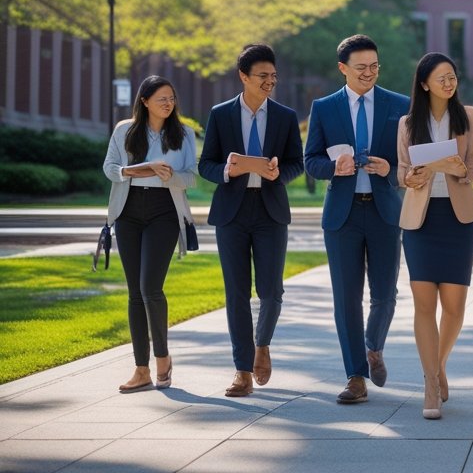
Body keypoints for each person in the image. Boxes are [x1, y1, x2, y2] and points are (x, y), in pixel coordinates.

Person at [303, 34, 410, 404]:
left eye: (375, 66)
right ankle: (355, 376)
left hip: (384, 212)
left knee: (385, 295)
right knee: (346, 299)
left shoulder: (400, 105)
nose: (369, 73)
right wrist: (335, 167)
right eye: (361, 67)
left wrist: (389, 168)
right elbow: (310, 160)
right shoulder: (325, 107)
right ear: (343, 69)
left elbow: (413, 163)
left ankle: (373, 347)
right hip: (343, 215)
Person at [199, 43, 305, 398]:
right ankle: (242, 370)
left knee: (272, 291)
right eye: (262, 76)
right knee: (237, 293)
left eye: (273, 76)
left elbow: (296, 163)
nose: (269, 82)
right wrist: (229, 169)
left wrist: (278, 174)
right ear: (243, 76)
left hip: (271, 210)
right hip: (232, 210)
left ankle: (262, 344)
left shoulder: (286, 116)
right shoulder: (221, 114)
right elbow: (206, 164)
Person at [398, 52, 473, 420]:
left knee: (454, 306)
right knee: (423, 305)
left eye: (453, 76)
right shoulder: (406, 124)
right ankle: (430, 384)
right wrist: (412, 177)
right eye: (441, 77)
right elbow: (403, 172)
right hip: (420, 220)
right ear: (424, 83)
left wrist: (461, 170)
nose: (449, 83)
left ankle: (439, 364)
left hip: (457, 219)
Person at [102, 76, 198, 393]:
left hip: (164, 212)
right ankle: (141, 369)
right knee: (134, 292)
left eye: (171, 98)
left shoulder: (183, 133)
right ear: (144, 101)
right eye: (161, 99)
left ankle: (162, 358)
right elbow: (110, 168)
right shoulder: (124, 130)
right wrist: (131, 171)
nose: (168, 103)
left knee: (150, 288)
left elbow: (192, 179)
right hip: (128, 211)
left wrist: (171, 175)